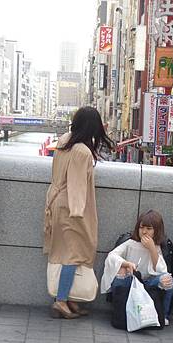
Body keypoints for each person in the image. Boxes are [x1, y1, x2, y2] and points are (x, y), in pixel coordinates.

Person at [43, 106, 113, 319]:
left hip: (56, 201)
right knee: (74, 253)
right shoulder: (82, 151)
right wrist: (78, 213)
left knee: (65, 252)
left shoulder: (64, 141)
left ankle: (69, 299)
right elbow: (77, 185)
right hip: (71, 208)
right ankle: (61, 300)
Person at [100, 210, 173, 325]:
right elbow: (112, 256)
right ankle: (120, 313)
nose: (144, 232)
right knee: (120, 273)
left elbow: (160, 270)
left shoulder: (158, 247)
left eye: (149, 229)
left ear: (156, 230)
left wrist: (152, 249)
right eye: (141, 228)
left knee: (169, 281)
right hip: (132, 280)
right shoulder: (130, 243)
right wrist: (126, 264)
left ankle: (163, 316)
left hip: (149, 281)